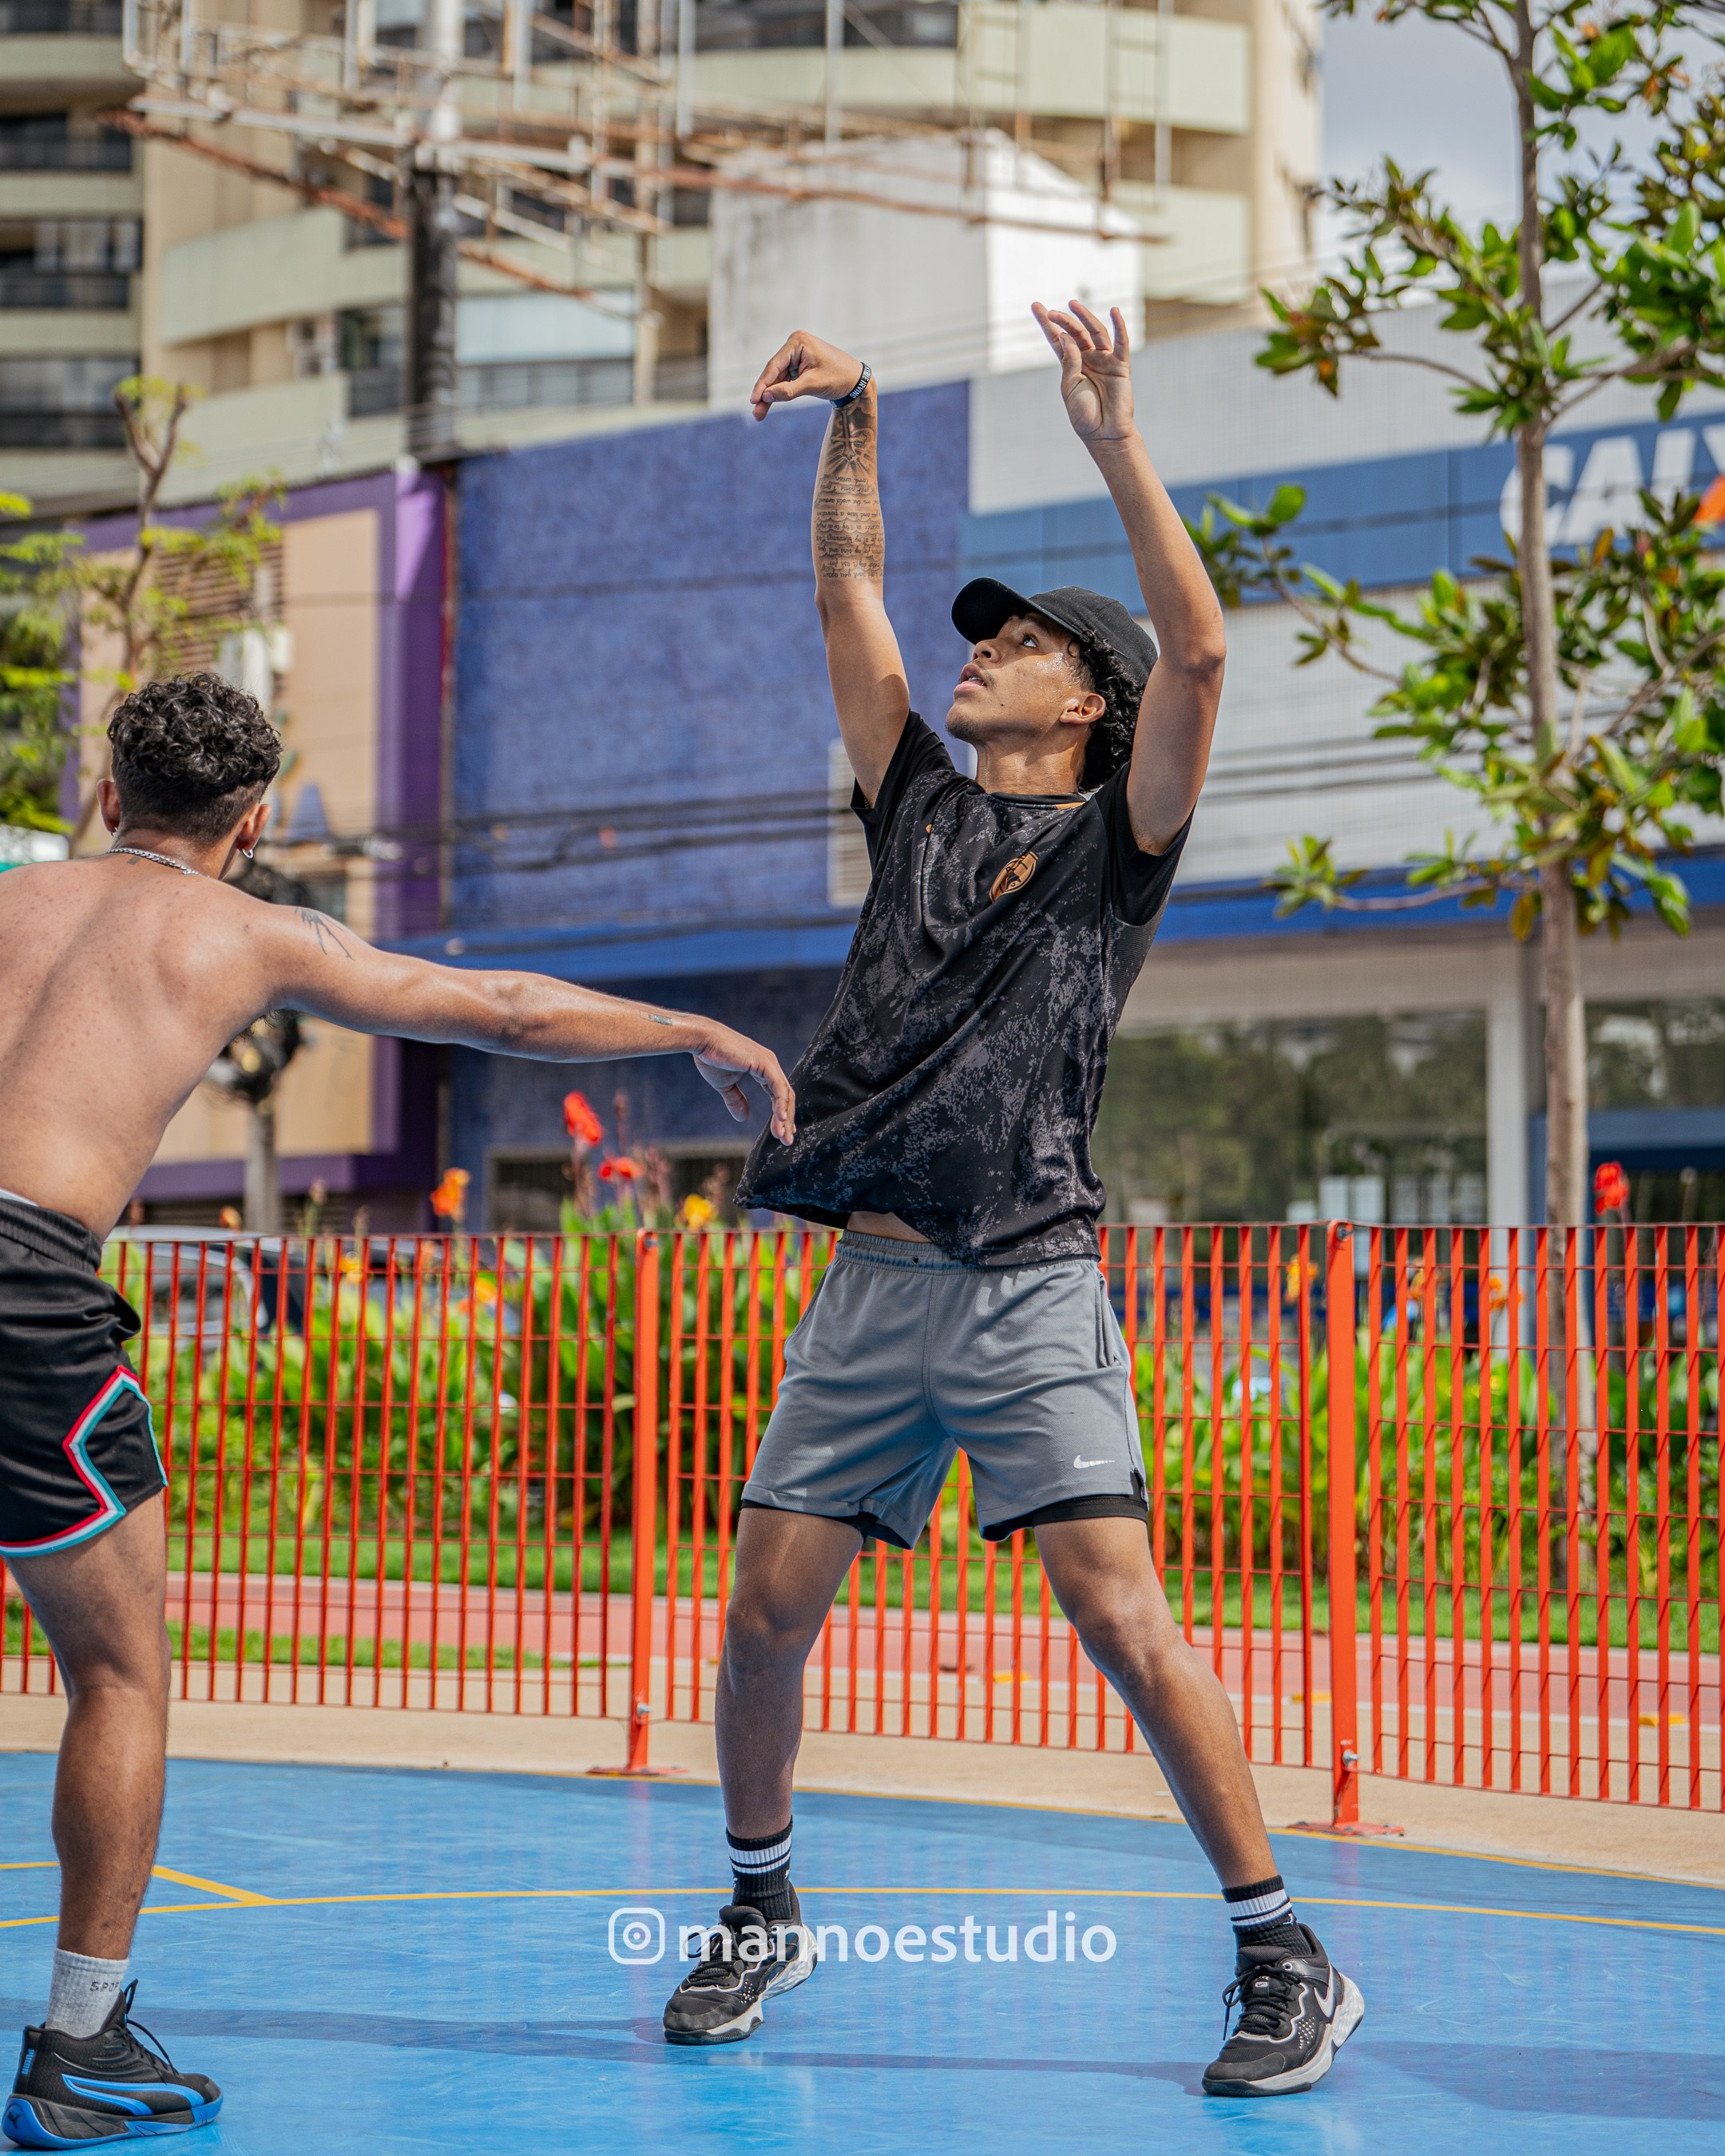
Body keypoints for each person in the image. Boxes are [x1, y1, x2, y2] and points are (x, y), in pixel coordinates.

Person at [659, 306, 1363, 2098]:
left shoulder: (1121, 840)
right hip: (874, 1286)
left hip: (1030, 1281)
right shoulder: (915, 804)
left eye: (1027, 648)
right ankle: (759, 1909)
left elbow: (1200, 652)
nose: (983, 660)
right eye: (986, 643)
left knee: (1123, 1622)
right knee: (759, 1614)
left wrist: (1113, 431)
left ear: (1091, 709)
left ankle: (1283, 1950)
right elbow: (851, 595)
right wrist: (859, 418)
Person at [0, 672, 795, 2150]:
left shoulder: (11, 896)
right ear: (251, 820)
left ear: (108, 797)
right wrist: (693, 1028)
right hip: (23, 1291)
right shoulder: (248, 931)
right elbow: (493, 1007)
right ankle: (81, 2036)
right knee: (116, 1673)